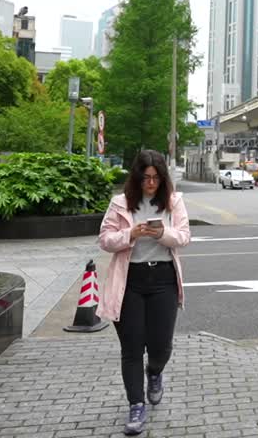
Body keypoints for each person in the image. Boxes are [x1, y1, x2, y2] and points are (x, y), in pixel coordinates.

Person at [98, 150, 191, 435]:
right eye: (146, 178)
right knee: (132, 348)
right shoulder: (120, 203)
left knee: (161, 346)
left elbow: (184, 237)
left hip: (163, 278)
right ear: (137, 178)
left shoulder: (173, 202)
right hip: (130, 281)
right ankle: (136, 406)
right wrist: (131, 235)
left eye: (156, 178)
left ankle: (155, 372)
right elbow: (104, 240)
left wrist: (161, 233)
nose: (151, 184)